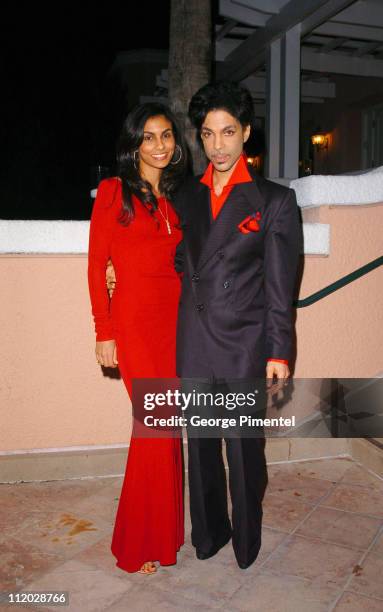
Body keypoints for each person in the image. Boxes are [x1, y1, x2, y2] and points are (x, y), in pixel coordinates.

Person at [174, 81, 301, 569]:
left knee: (245, 452)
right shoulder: (187, 196)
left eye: (228, 132)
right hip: (195, 342)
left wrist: (278, 350)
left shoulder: (274, 200)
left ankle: (248, 539)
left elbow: (280, 287)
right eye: (208, 134)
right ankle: (209, 534)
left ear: (246, 132)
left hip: (245, 343)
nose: (218, 145)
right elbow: (177, 263)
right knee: (202, 449)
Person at [87, 102, 188, 574]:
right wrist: (104, 331)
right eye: (149, 137)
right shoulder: (113, 192)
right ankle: (136, 544)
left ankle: (162, 536)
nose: (160, 145)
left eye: (166, 135)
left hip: (174, 323)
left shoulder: (170, 200)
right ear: (134, 145)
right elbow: (95, 266)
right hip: (134, 323)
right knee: (154, 428)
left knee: (165, 429)